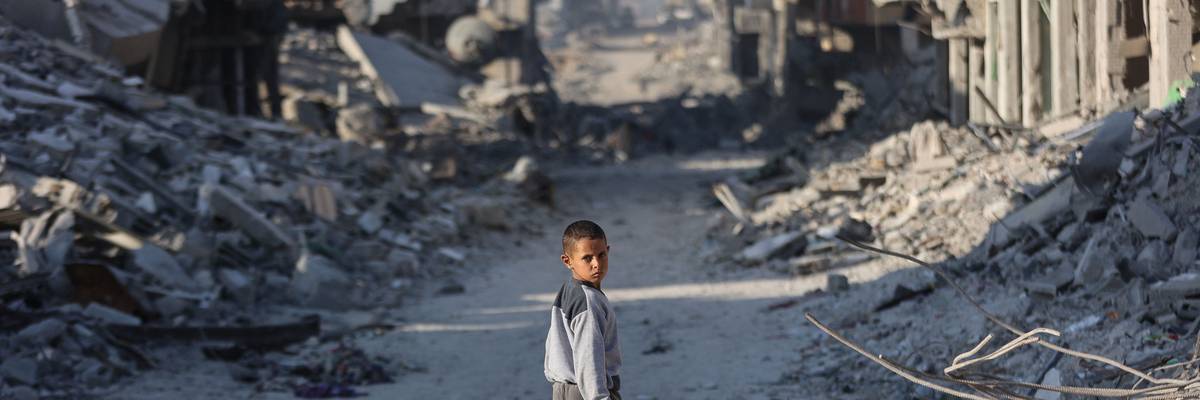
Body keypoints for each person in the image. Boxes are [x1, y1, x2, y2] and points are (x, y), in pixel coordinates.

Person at [545, 220, 623, 400]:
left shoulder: (569, 289)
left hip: (563, 390)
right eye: (587, 258)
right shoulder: (589, 301)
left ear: (608, 251)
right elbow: (589, 357)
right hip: (586, 392)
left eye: (601, 255)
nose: (597, 264)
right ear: (567, 261)